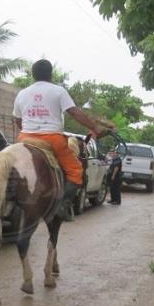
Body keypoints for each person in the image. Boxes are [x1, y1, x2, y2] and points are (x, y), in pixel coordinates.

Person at [13, 59, 107, 221]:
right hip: (52, 139)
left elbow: (17, 120)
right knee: (76, 171)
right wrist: (95, 127)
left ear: (33, 75)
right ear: (50, 74)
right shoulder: (58, 91)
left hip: (24, 138)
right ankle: (62, 205)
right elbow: (75, 113)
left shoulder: (22, 93)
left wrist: (29, 131)